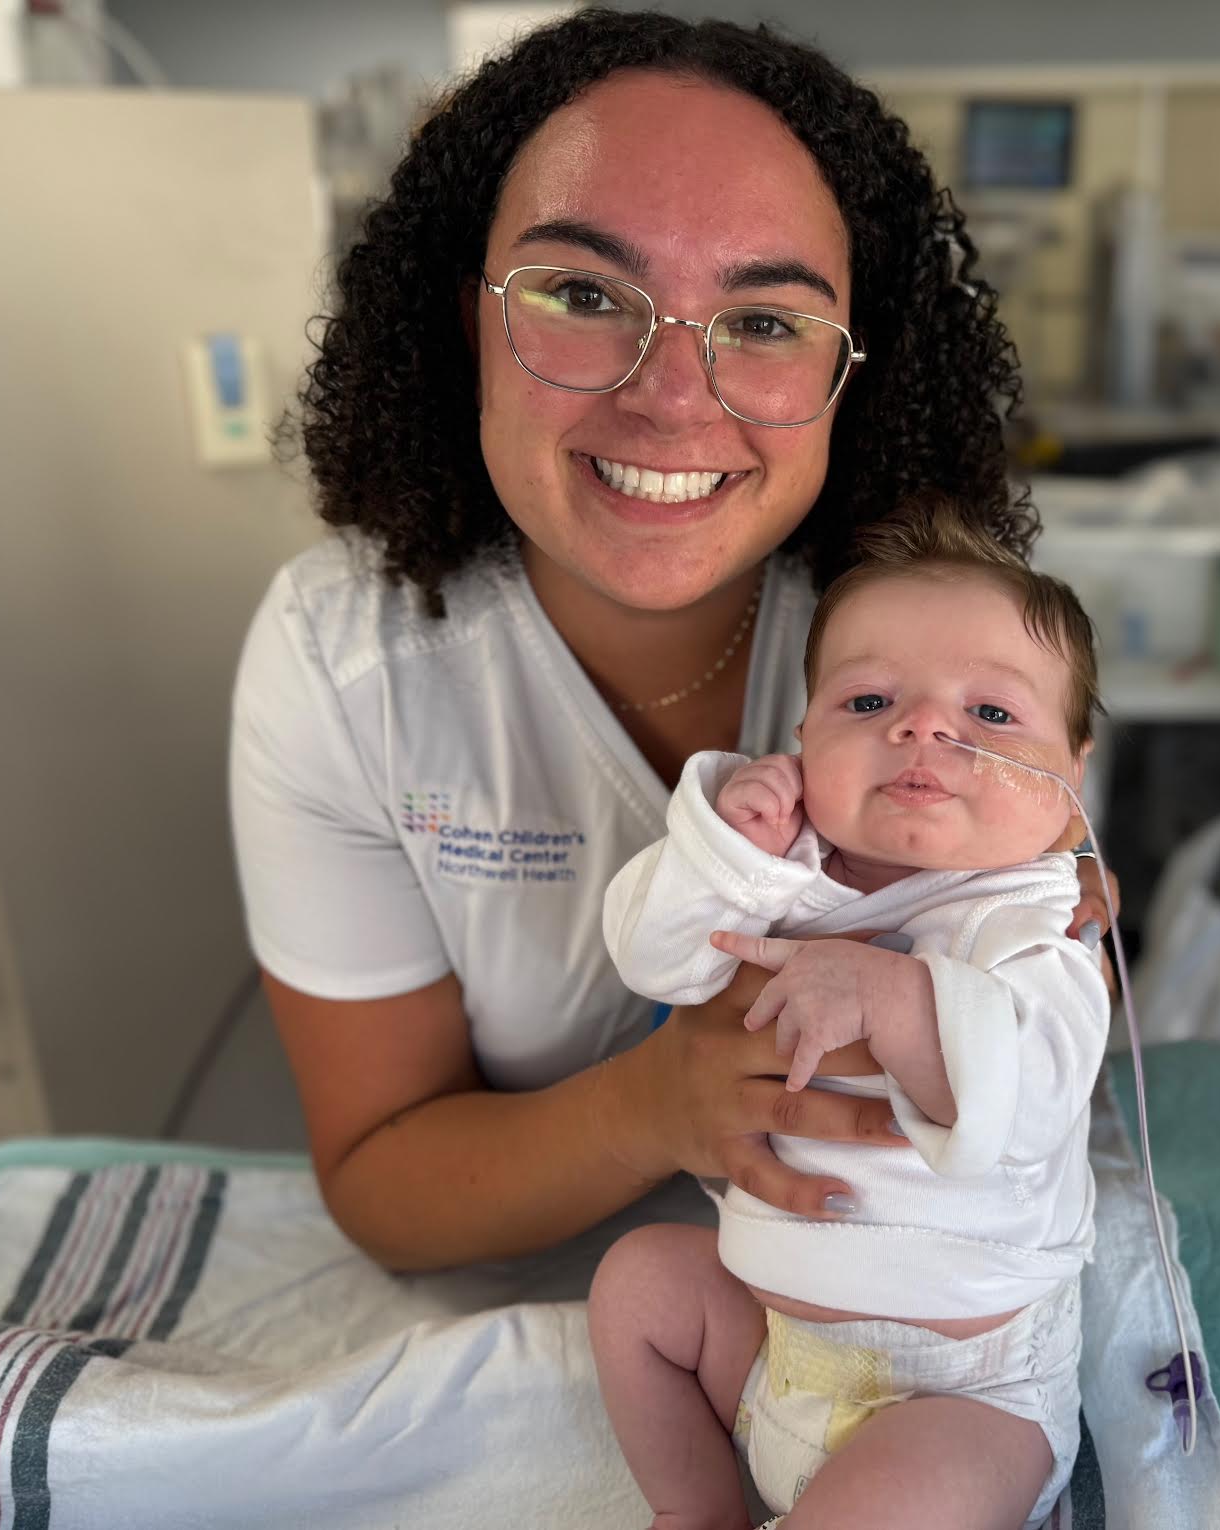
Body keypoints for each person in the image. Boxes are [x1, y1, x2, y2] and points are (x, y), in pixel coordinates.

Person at [229, 10, 1115, 1279]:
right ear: (464, 319)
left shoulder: (954, 644)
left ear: (856, 372)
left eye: (763, 322)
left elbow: (1040, 1035)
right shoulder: (344, 663)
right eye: (584, 295)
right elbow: (385, 1180)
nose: (672, 396)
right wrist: (657, 1106)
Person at [589, 504, 1106, 1530]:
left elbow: (1034, 1091)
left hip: (963, 1393)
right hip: (777, 1349)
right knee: (639, 1285)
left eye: (993, 716)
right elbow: (651, 954)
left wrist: (888, 996)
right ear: (803, 740)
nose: (922, 728)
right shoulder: (780, 875)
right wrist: (729, 851)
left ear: (1071, 777)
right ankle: (695, 1507)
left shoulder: (1029, 929)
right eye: (868, 700)